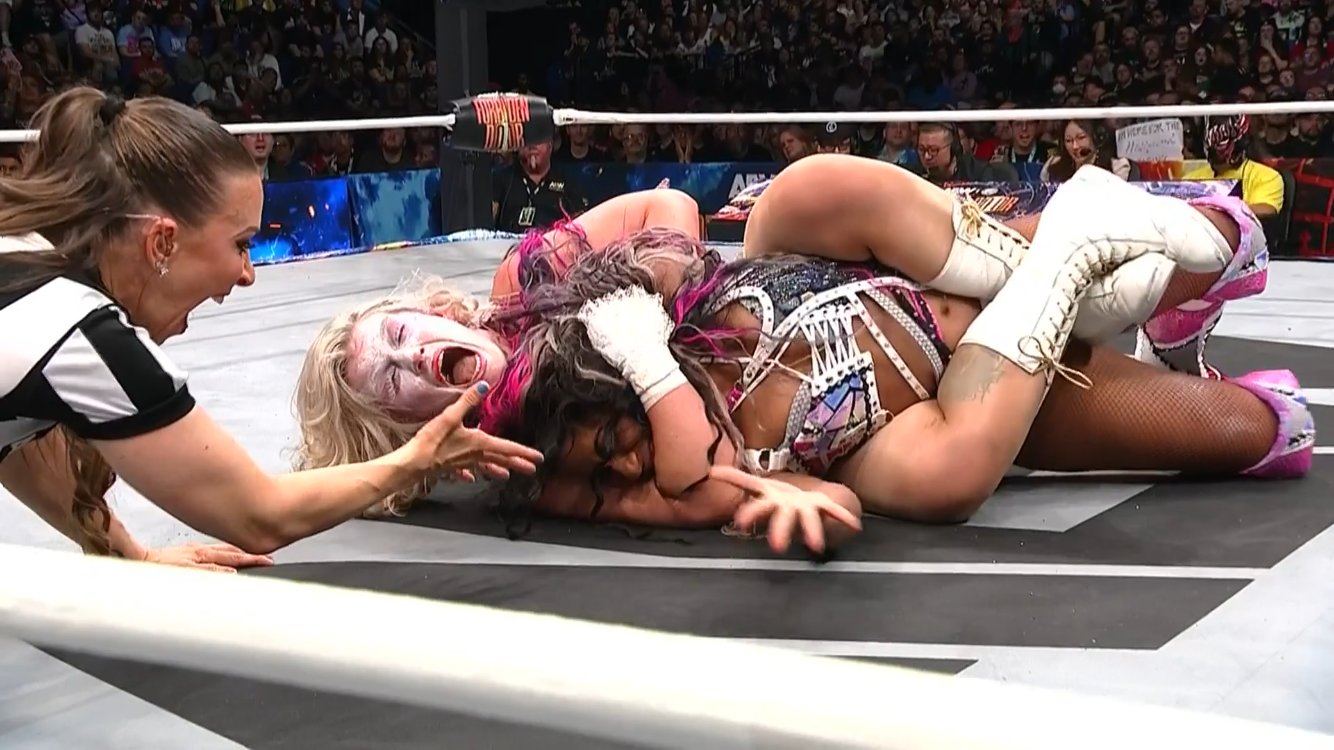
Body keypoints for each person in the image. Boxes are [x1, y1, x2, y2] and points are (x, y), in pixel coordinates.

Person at [296, 158, 1310, 552]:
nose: (411, 364)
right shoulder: (534, 471)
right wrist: (761, 495)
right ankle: (1081, 253)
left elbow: (667, 208)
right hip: (853, 426)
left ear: (429, 310)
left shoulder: (529, 279)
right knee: (1260, 433)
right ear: (401, 436)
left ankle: (1110, 270)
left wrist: (648, 280)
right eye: (388, 384)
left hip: (804, 281)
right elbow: (679, 496)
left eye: (398, 338)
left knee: (812, 191)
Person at [0, 88, 544, 566]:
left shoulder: (33, 264)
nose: (247, 274)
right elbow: (258, 514)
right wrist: (414, 460)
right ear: (162, 242)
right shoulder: (81, 336)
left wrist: (130, 554)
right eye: (240, 244)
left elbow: (19, 438)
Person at [1183, 115, 1285, 220]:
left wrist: (1221, 209)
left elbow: (1266, 209)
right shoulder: (1191, 180)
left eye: (1224, 139)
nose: (1218, 150)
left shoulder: (1266, 177)